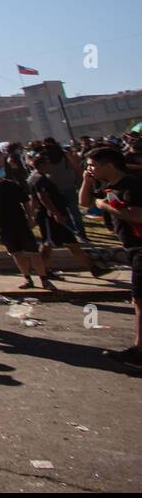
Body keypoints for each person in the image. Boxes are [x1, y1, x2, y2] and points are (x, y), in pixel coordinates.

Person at [79, 146, 142, 367]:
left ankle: (139, 350)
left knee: (139, 300)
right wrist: (87, 181)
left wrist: (105, 205)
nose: (90, 169)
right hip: (132, 248)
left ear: (109, 165)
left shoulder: (130, 185)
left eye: (93, 165)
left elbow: (137, 215)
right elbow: (85, 203)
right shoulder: (108, 185)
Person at [0, 156, 56, 291]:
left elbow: (25, 201)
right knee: (16, 253)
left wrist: (30, 217)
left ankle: (44, 278)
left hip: (20, 222)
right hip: (3, 225)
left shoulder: (11, 184)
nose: (1, 170)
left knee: (33, 252)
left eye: (1, 168)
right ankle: (27, 278)